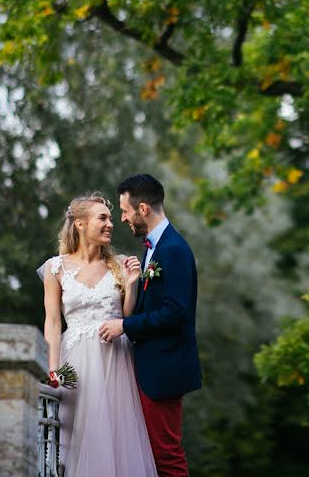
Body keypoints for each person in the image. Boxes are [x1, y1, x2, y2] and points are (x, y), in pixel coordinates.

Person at [39, 192, 158, 477]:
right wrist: (53, 369)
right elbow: (53, 322)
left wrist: (131, 285)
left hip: (116, 365)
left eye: (111, 218)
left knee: (116, 443)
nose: (110, 224)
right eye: (102, 218)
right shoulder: (55, 268)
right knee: (73, 441)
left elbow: (128, 319)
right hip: (75, 365)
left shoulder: (119, 264)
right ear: (80, 224)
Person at [99, 174, 202, 477]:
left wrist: (125, 325)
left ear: (142, 209)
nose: (123, 218)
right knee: (153, 457)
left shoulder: (173, 250)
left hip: (165, 370)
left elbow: (175, 313)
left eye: (125, 211)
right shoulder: (152, 249)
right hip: (151, 368)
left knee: (166, 457)